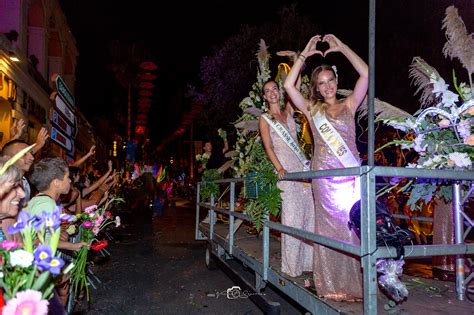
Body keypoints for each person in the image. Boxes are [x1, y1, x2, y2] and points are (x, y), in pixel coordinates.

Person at [284, 34, 368, 301]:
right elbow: (288, 84)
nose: (328, 86)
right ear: (317, 88)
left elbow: (366, 73)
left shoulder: (350, 104)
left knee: (351, 227)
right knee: (328, 229)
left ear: (337, 81)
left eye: (331, 80)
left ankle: (353, 285)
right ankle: (330, 285)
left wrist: (341, 46)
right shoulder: (311, 109)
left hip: (350, 176)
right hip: (324, 178)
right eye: (321, 83)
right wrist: (305, 54)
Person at [259, 69, 315, 277]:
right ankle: (292, 267)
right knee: (291, 216)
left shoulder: (288, 111)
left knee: (309, 214)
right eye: (268, 90)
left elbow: (296, 88)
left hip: (301, 167)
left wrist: (297, 62)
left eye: (275, 89)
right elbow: (268, 147)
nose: (272, 92)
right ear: (264, 96)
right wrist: (279, 167)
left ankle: (308, 263)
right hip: (285, 169)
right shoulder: (265, 119)